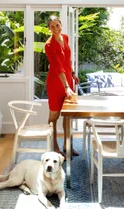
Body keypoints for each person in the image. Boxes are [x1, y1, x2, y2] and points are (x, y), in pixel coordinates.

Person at [44, 15, 80, 157]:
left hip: (67, 83)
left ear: (61, 25)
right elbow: (58, 67)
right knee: (54, 116)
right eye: (52, 27)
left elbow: (67, 61)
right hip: (55, 83)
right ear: (49, 29)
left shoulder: (65, 37)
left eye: (57, 25)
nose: (56, 29)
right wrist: (66, 86)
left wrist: (72, 74)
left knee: (67, 115)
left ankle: (67, 144)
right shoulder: (49, 45)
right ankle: (54, 146)